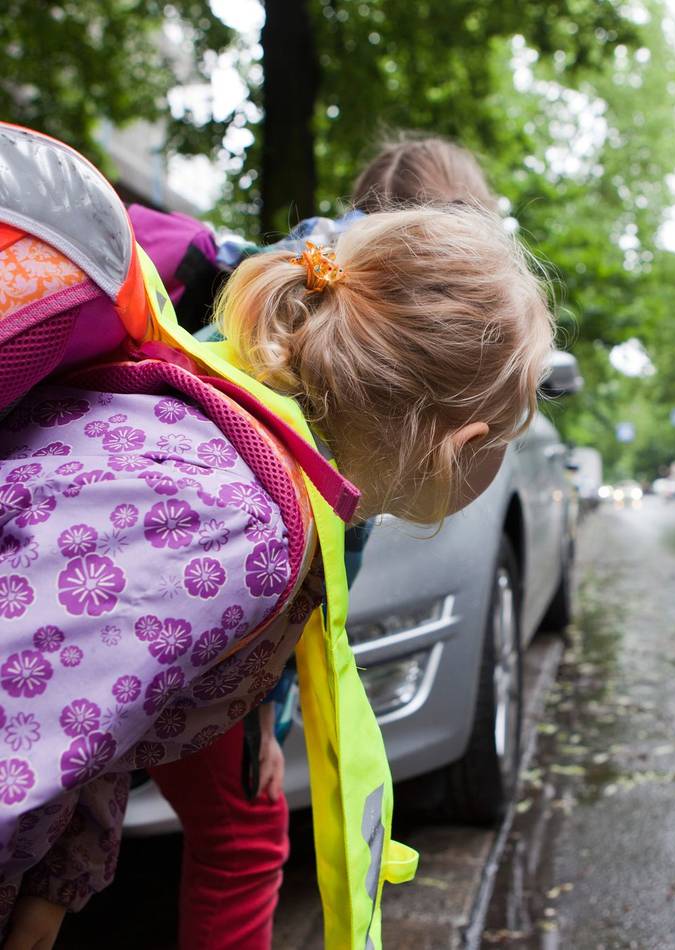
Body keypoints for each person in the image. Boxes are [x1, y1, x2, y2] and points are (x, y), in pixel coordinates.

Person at [0, 200, 554, 947]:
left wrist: (55, 880)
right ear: (462, 446)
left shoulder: (258, 461)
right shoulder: (234, 527)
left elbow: (99, 699)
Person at [142, 133, 501, 950]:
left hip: (121, 581)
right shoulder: (386, 348)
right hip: (198, 621)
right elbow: (314, 584)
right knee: (245, 839)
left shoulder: (299, 275)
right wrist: (264, 720)